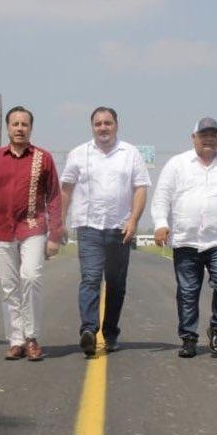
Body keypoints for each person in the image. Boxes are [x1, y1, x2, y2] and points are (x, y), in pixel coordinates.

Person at [151, 117, 217, 358]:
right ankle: (188, 337)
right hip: (186, 241)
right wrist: (160, 224)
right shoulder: (177, 165)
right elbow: (162, 198)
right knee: (188, 291)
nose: (209, 139)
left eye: (213, 135)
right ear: (194, 138)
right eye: (204, 134)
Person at [0, 106, 63, 362]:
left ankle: (31, 337)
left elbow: (54, 197)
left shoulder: (43, 158)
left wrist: (55, 235)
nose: (20, 128)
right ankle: (16, 339)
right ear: (8, 128)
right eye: (15, 124)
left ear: (31, 128)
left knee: (30, 277)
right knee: (9, 286)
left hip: (33, 227)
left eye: (24, 124)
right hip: (2, 230)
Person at [61, 106, 151, 357]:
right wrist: (60, 222)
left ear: (116, 125)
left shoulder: (130, 153)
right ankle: (88, 330)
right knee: (90, 278)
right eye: (98, 123)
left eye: (107, 123)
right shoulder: (78, 154)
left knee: (116, 283)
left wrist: (134, 220)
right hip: (88, 227)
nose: (103, 128)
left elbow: (141, 188)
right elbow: (66, 189)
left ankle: (110, 334)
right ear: (92, 127)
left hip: (119, 228)